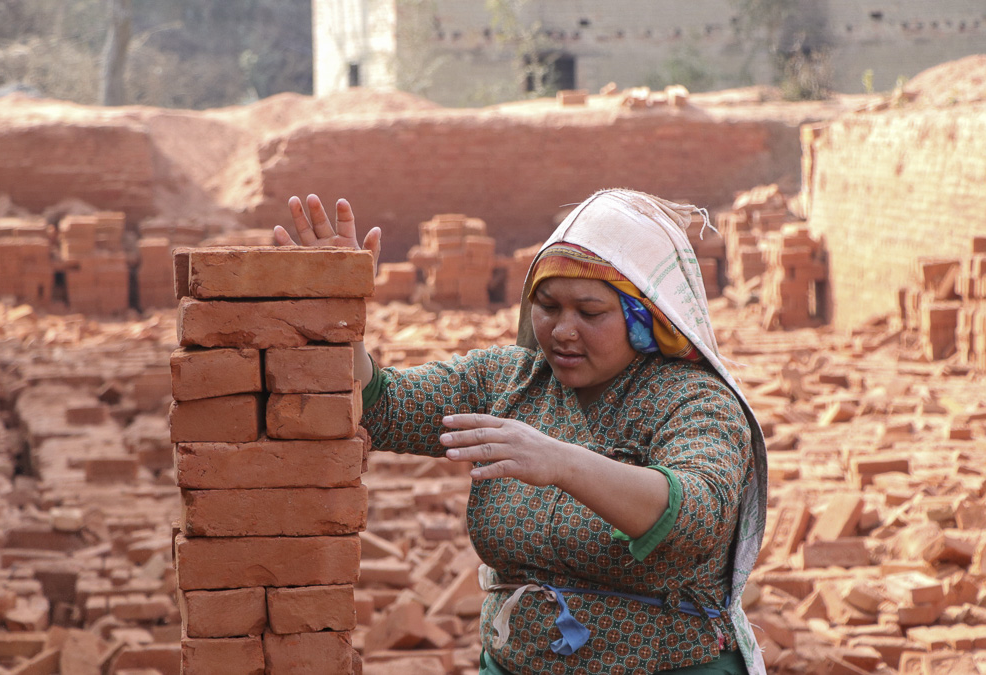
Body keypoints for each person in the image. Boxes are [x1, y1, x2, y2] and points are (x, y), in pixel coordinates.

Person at [273, 190, 768, 675]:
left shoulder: (694, 401)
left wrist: (563, 462)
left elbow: (699, 514)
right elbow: (383, 405)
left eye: (590, 313)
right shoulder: (508, 381)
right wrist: (339, 317)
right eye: (548, 306)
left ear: (646, 320)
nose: (562, 330)